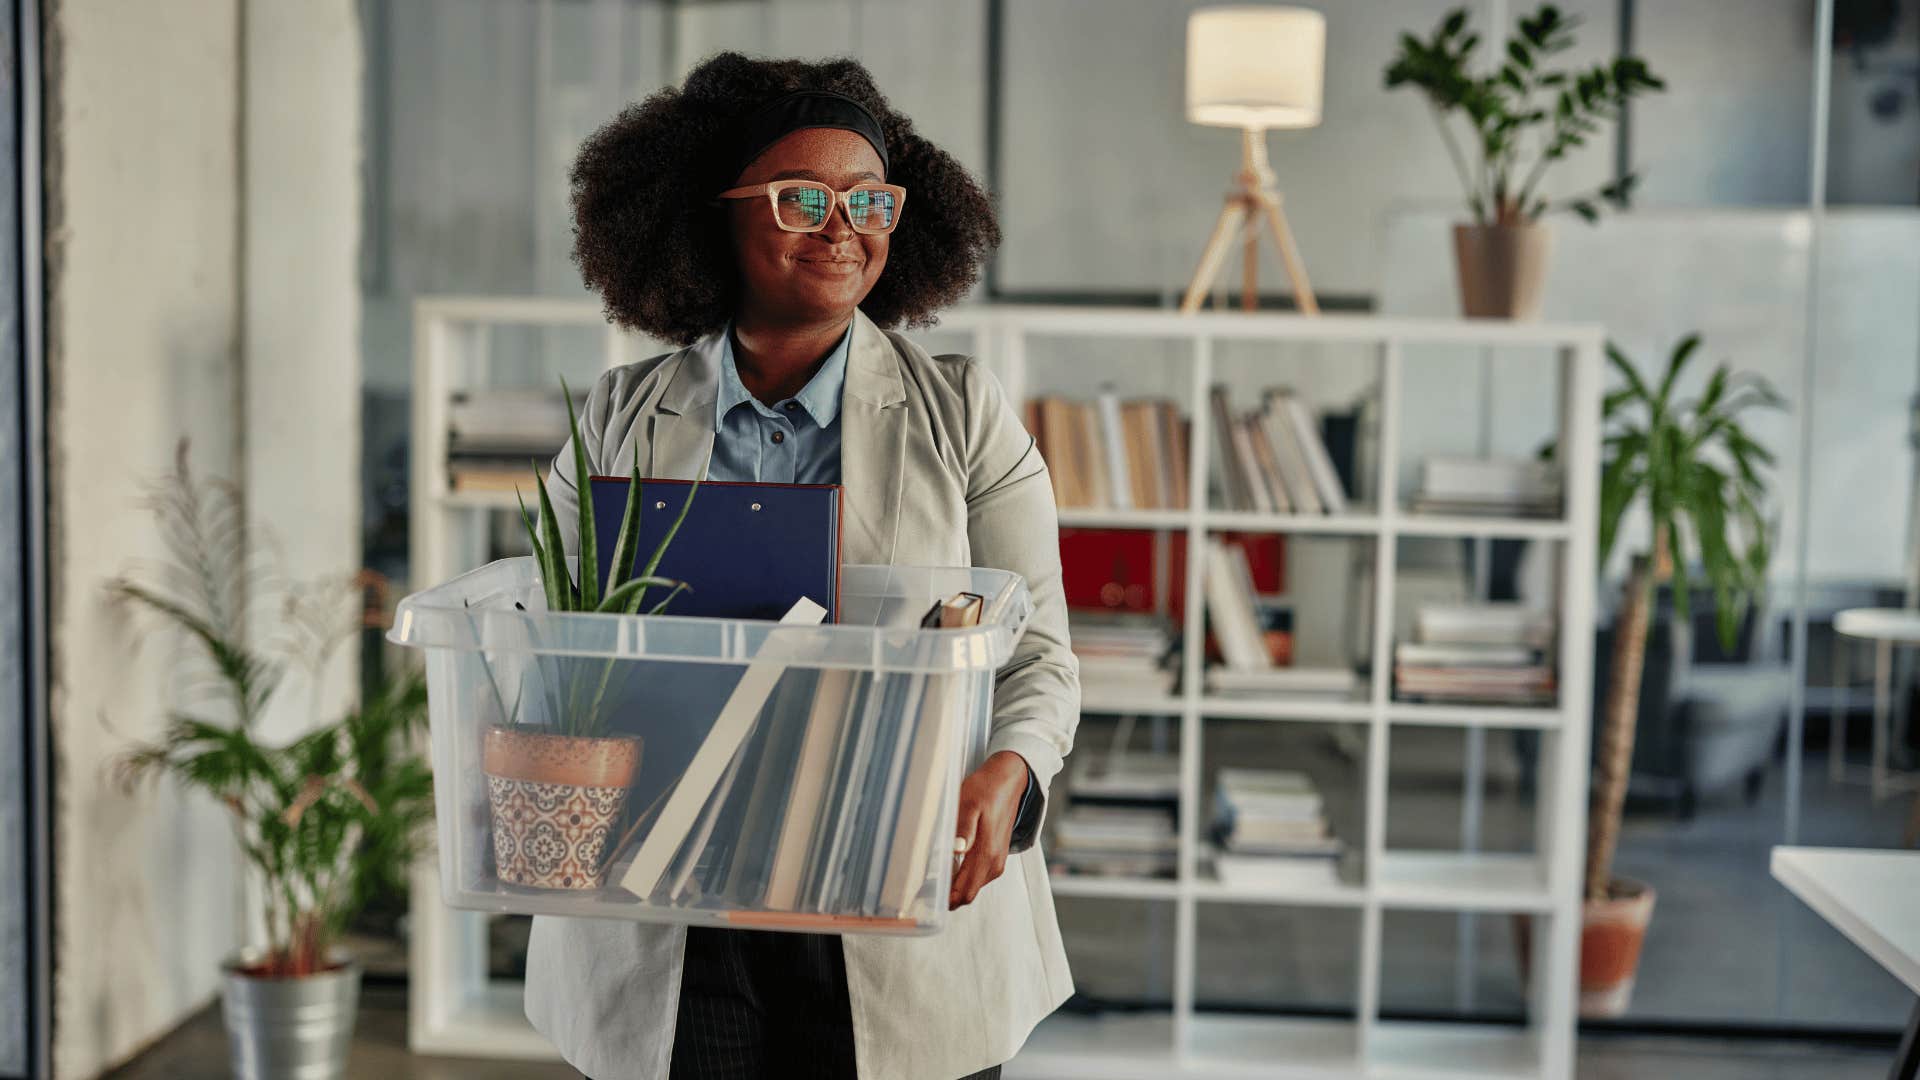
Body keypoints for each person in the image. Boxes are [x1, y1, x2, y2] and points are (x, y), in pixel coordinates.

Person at [527, 53, 1080, 1080]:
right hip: (675, 899)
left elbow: (1038, 652)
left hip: (894, 877)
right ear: (714, 216)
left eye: (869, 198)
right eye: (802, 198)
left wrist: (1015, 767)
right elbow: (552, 648)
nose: (845, 225)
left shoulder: (962, 413)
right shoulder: (615, 418)